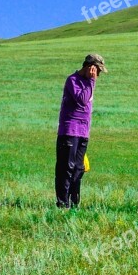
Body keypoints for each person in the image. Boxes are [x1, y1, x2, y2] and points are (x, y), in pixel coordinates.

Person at [55, 53, 107, 208]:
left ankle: (74, 203)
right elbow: (83, 100)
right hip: (70, 131)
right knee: (66, 168)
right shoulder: (73, 80)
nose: (98, 75)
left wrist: (91, 81)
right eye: (98, 70)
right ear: (90, 67)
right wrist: (91, 81)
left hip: (83, 132)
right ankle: (62, 204)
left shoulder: (89, 82)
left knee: (79, 169)